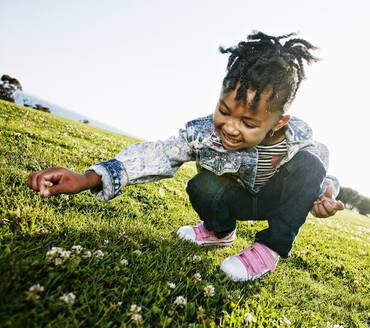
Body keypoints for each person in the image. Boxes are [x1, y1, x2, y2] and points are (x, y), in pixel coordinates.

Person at [27, 31, 344, 282]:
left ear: (278, 122)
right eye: (224, 111)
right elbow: (158, 154)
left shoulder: (299, 138)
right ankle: (219, 231)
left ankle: (269, 249)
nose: (230, 128)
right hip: (237, 199)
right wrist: (88, 178)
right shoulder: (203, 133)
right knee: (201, 184)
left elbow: (318, 177)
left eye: (248, 123)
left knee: (311, 164)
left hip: (274, 201)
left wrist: (324, 195)